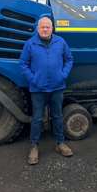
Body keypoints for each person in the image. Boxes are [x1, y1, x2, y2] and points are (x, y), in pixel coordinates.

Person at [20, 16, 74, 165]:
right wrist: (34, 79)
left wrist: (63, 75)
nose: (45, 29)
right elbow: (23, 64)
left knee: (57, 116)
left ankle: (60, 143)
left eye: (48, 27)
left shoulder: (60, 42)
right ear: (38, 28)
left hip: (57, 87)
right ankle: (34, 146)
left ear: (52, 28)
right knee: (37, 118)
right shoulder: (30, 44)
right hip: (38, 89)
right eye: (42, 27)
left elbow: (69, 59)